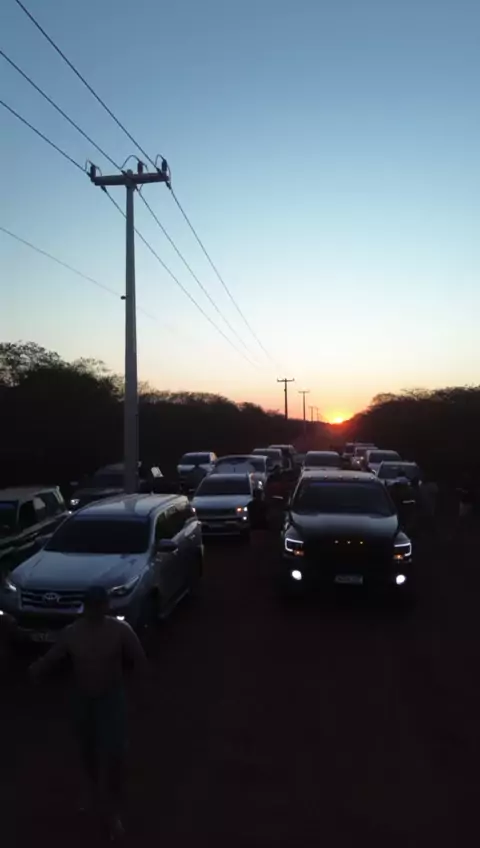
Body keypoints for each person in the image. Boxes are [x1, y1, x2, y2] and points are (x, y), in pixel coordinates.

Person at [29, 585, 147, 840]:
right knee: (87, 750)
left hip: (111, 698)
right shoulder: (72, 633)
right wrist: (38, 668)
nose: (95, 610)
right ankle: (93, 791)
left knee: (114, 754)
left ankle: (113, 811)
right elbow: (53, 656)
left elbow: (139, 659)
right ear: (86, 607)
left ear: (106, 606)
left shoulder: (120, 630)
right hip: (82, 698)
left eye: (99, 605)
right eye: (91, 606)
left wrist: (140, 694)